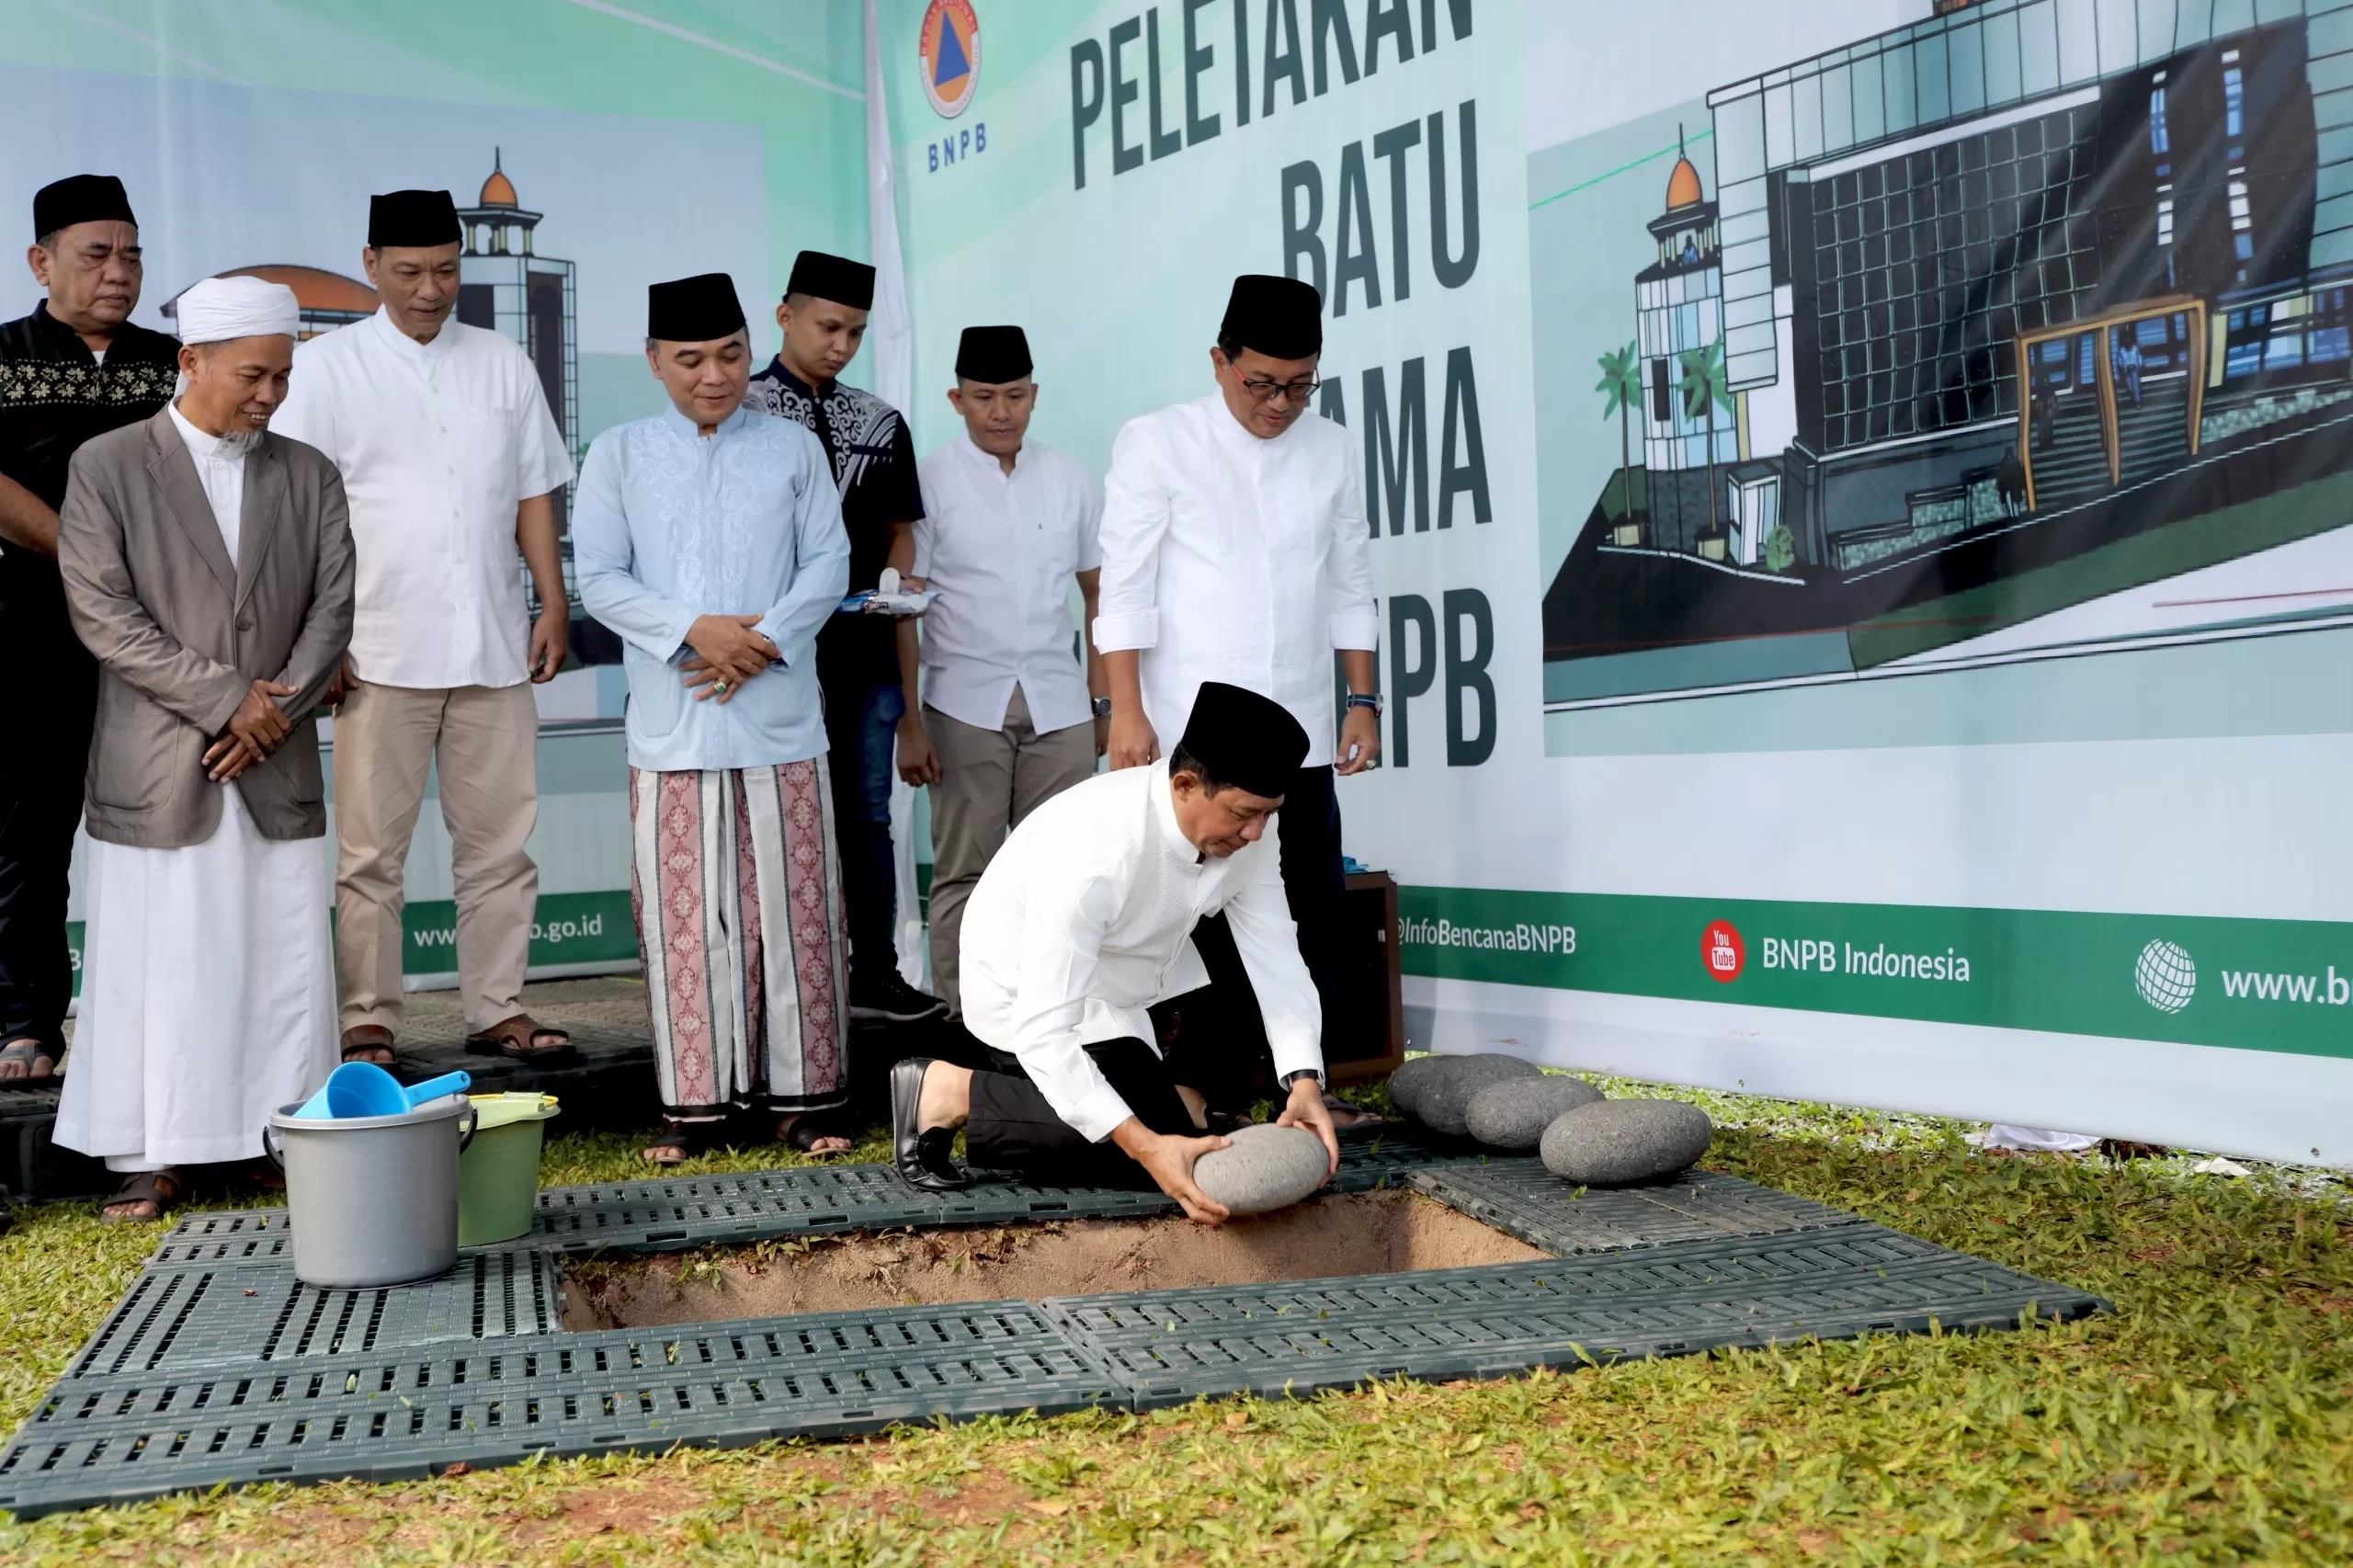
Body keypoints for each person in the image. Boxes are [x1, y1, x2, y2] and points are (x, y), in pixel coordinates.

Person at [53, 276, 354, 1221]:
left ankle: (277, 1135)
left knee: (279, 956)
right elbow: (104, 613)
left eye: (283, 376)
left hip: (275, 758)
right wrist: (229, 700)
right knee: (163, 959)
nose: (269, 395)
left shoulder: (308, 471)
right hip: (162, 755)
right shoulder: (107, 465)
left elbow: (332, 608)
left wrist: (273, 710)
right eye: (252, 375)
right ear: (191, 363)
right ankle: (153, 1153)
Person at [271, 189, 576, 1070]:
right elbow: (298, 515)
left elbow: (532, 492)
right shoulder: (325, 370)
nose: (431, 288)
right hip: (376, 649)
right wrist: (315, 643)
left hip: (491, 640)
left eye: (445, 269)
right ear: (371, 266)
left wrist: (550, 602)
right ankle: (368, 1019)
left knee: (500, 844)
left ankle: (498, 1008)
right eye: (409, 271)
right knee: (371, 852)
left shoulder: (502, 362)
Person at [574, 273, 854, 1164]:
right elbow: (602, 579)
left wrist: (759, 641)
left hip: (779, 718)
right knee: (686, 920)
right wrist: (694, 630)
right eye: (690, 359)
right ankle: (691, 1105)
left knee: (793, 915)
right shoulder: (617, 454)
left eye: (730, 354)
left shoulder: (791, 449)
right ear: (654, 362)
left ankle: (804, 1098)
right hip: (674, 722)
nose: (714, 375)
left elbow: (829, 563)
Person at [889, 682, 1341, 1223]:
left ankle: (1173, 1100)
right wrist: (1149, 1144)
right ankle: (947, 1089)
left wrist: (1305, 1079)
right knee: (1147, 1151)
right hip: (1024, 996)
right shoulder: (1097, 851)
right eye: (1245, 814)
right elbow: (1044, 1030)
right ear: (1185, 784)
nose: (1256, 832)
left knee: (1181, 1127)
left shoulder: (1254, 829)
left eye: (1270, 814)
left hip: (1139, 980)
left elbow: (1275, 952)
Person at [1092, 275, 1380, 1120]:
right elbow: (1127, 590)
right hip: (1191, 732)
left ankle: (1300, 1090)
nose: (1281, 403)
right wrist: (1129, 712)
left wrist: (1364, 699)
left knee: (1315, 914)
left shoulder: (1331, 449)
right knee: (1205, 925)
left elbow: (1350, 582)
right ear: (1220, 362)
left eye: (1301, 384)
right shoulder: (1157, 443)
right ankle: (1205, 1094)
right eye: (1262, 382)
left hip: (1303, 729)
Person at [0, 175, 179, 1084]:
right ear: (42, 261)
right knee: (31, 831)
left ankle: (158, 1023)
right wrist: (85, 553)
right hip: (33, 630)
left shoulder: (173, 362)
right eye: (96, 253)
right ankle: (28, 1020)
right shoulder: (3, 355)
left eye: (132, 253)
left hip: (163, 640)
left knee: (165, 829)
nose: (119, 271)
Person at [745, 251, 944, 1025]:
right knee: (778, 816)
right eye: (829, 327)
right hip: (772, 656)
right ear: (785, 315)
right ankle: (787, 984)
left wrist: (895, 595)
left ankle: (876, 972)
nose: (841, 344)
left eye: (856, 332)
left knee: (865, 814)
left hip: (863, 653)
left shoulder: (880, 421)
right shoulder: (745, 409)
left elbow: (901, 539)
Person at [904, 324, 1107, 1017]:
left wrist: (1104, 706)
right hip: (962, 704)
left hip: (1061, 705)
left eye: (1015, 396)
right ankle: (968, 1024)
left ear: (1034, 396)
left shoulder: (1072, 478)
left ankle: (1062, 1021)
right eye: (984, 397)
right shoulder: (930, 479)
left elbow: (1098, 595)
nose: (1001, 412)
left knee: (1068, 875)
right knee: (968, 872)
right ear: (957, 399)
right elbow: (904, 607)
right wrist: (910, 719)